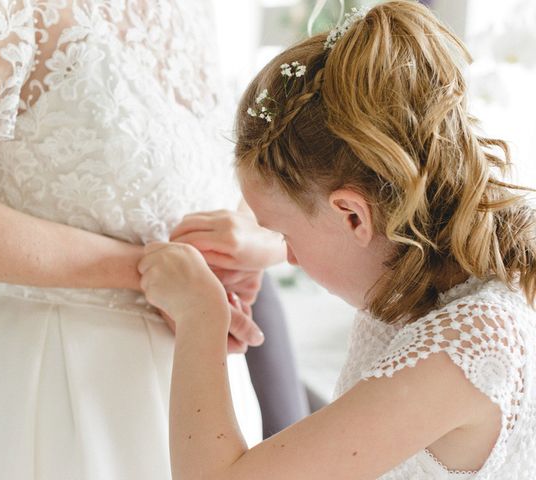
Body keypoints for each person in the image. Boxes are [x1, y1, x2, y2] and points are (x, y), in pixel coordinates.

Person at [0, 0, 305, 478]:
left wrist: (259, 239)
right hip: (55, 377)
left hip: (205, 374)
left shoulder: (194, 11)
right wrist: (150, 272)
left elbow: (206, 174)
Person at [138, 1, 536, 478]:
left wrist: (200, 312)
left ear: (351, 215)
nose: (283, 254)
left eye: (283, 233)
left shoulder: (466, 348)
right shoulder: (426, 275)